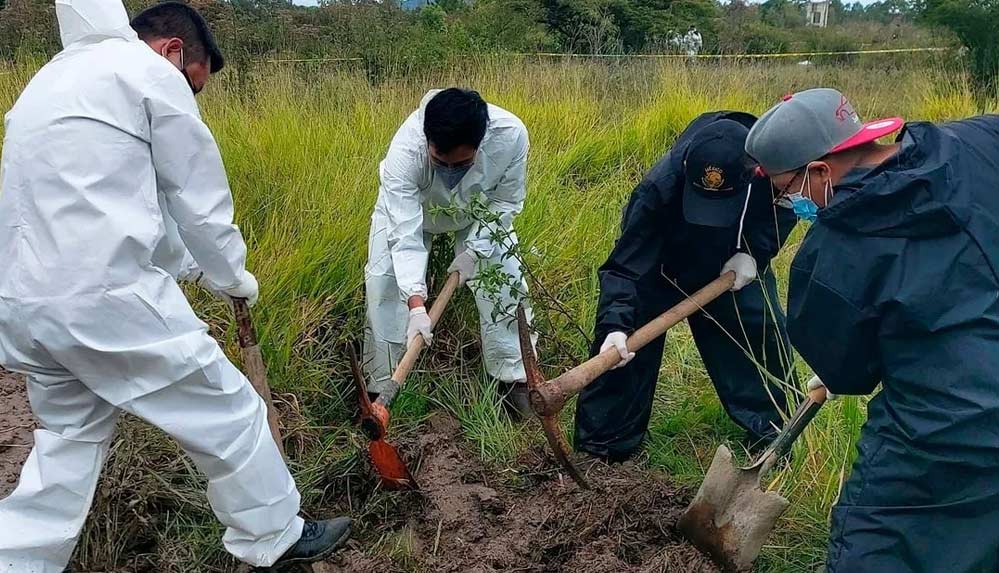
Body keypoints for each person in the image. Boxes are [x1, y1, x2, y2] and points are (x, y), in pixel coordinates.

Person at [0, 2, 350, 571]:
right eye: (196, 86)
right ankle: (275, 536)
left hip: (23, 309)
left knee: (68, 442)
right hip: (102, 301)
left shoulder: (48, 81)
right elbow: (199, 202)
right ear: (172, 52)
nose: (191, 97)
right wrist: (234, 278)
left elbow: (117, 204)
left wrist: (190, 269)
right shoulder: (146, 73)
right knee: (230, 410)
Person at [747, 87, 999, 572]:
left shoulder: (831, 256)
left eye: (784, 192)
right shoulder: (977, 142)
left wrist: (841, 361)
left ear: (819, 173)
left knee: (875, 545)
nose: (787, 204)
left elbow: (849, 372)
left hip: (949, 432)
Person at [574, 112, 799, 463]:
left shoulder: (771, 167)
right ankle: (604, 447)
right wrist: (615, 324)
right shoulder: (657, 189)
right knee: (622, 349)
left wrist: (755, 252)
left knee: (758, 329)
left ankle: (776, 433)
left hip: (732, 259)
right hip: (661, 264)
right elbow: (626, 265)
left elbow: (784, 207)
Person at [364, 88, 533, 417]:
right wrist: (416, 304)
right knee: (384, 284)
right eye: (440, 161)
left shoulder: (511, 136)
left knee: (504, 280)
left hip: (476, 212)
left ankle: (514, 380)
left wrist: (475, 252)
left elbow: (505, 202)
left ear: (480, 144)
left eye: (461, 163)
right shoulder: (406, 151)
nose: (449, 170)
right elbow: (404, 234)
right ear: (427, 141)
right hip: (413, 213)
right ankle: (381, 387)